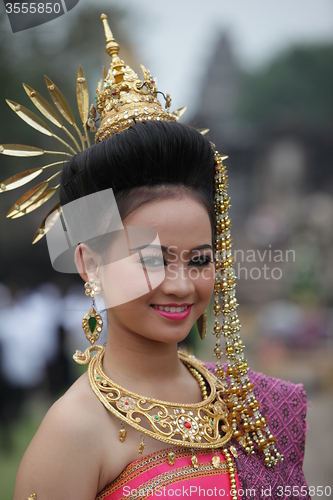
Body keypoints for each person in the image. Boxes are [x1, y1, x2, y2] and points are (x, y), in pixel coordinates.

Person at [1, 14, 309, 500]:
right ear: (89, 264)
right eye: (151, 259)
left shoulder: (249, 405)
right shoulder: (73, 433)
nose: (182, 285)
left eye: (200, 260)